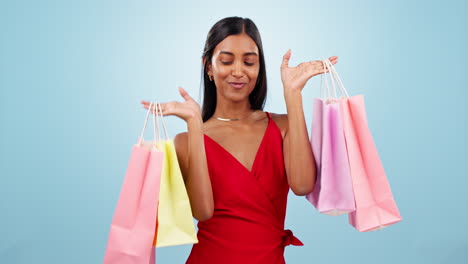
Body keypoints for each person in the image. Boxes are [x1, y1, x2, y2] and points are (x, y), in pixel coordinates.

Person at [141, 16, 338, 264]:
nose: (238, 71)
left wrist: (293, 93)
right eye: (226, 61)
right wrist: (194, 125)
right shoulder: (185, 141)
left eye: (249, 62)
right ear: (209, 66)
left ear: (259, 68)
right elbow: (202, 211)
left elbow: (302, 185)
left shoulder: (283, 126)